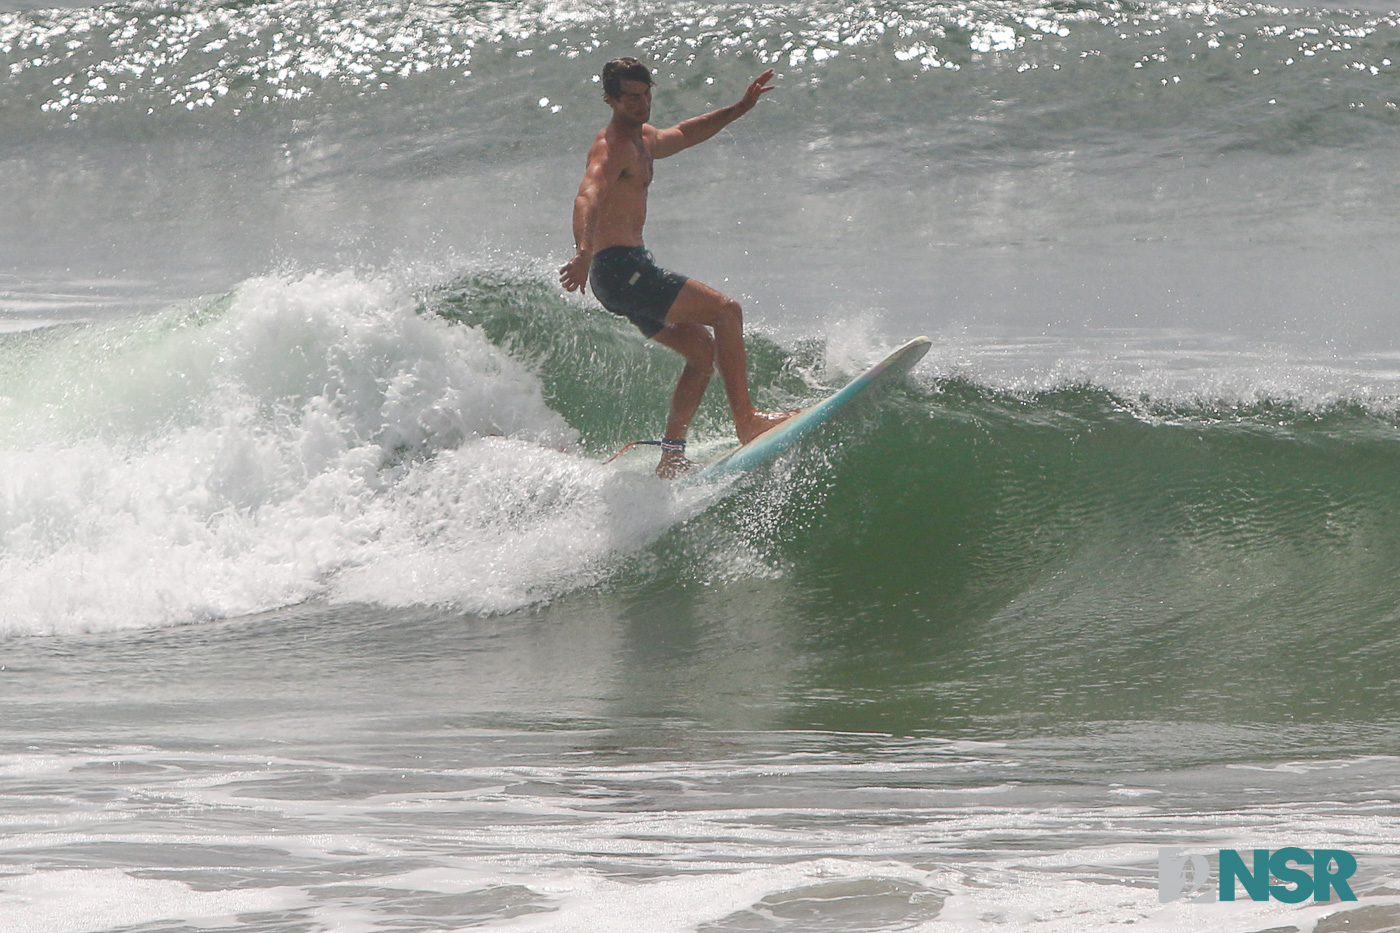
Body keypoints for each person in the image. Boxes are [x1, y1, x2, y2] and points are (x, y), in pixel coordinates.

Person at [559, 57, 797, 478]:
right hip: (619, 268)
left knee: (701, 351)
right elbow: (588, 195)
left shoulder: (643, 140)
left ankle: (671, 456)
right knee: (726, 311)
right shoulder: (610, 146)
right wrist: (582, 251)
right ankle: (748, 421)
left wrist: (738, 109)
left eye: (647, 93)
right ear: (611, 99)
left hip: (622, 275)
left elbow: (685, 133)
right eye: (631, 97)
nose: (642, 103)